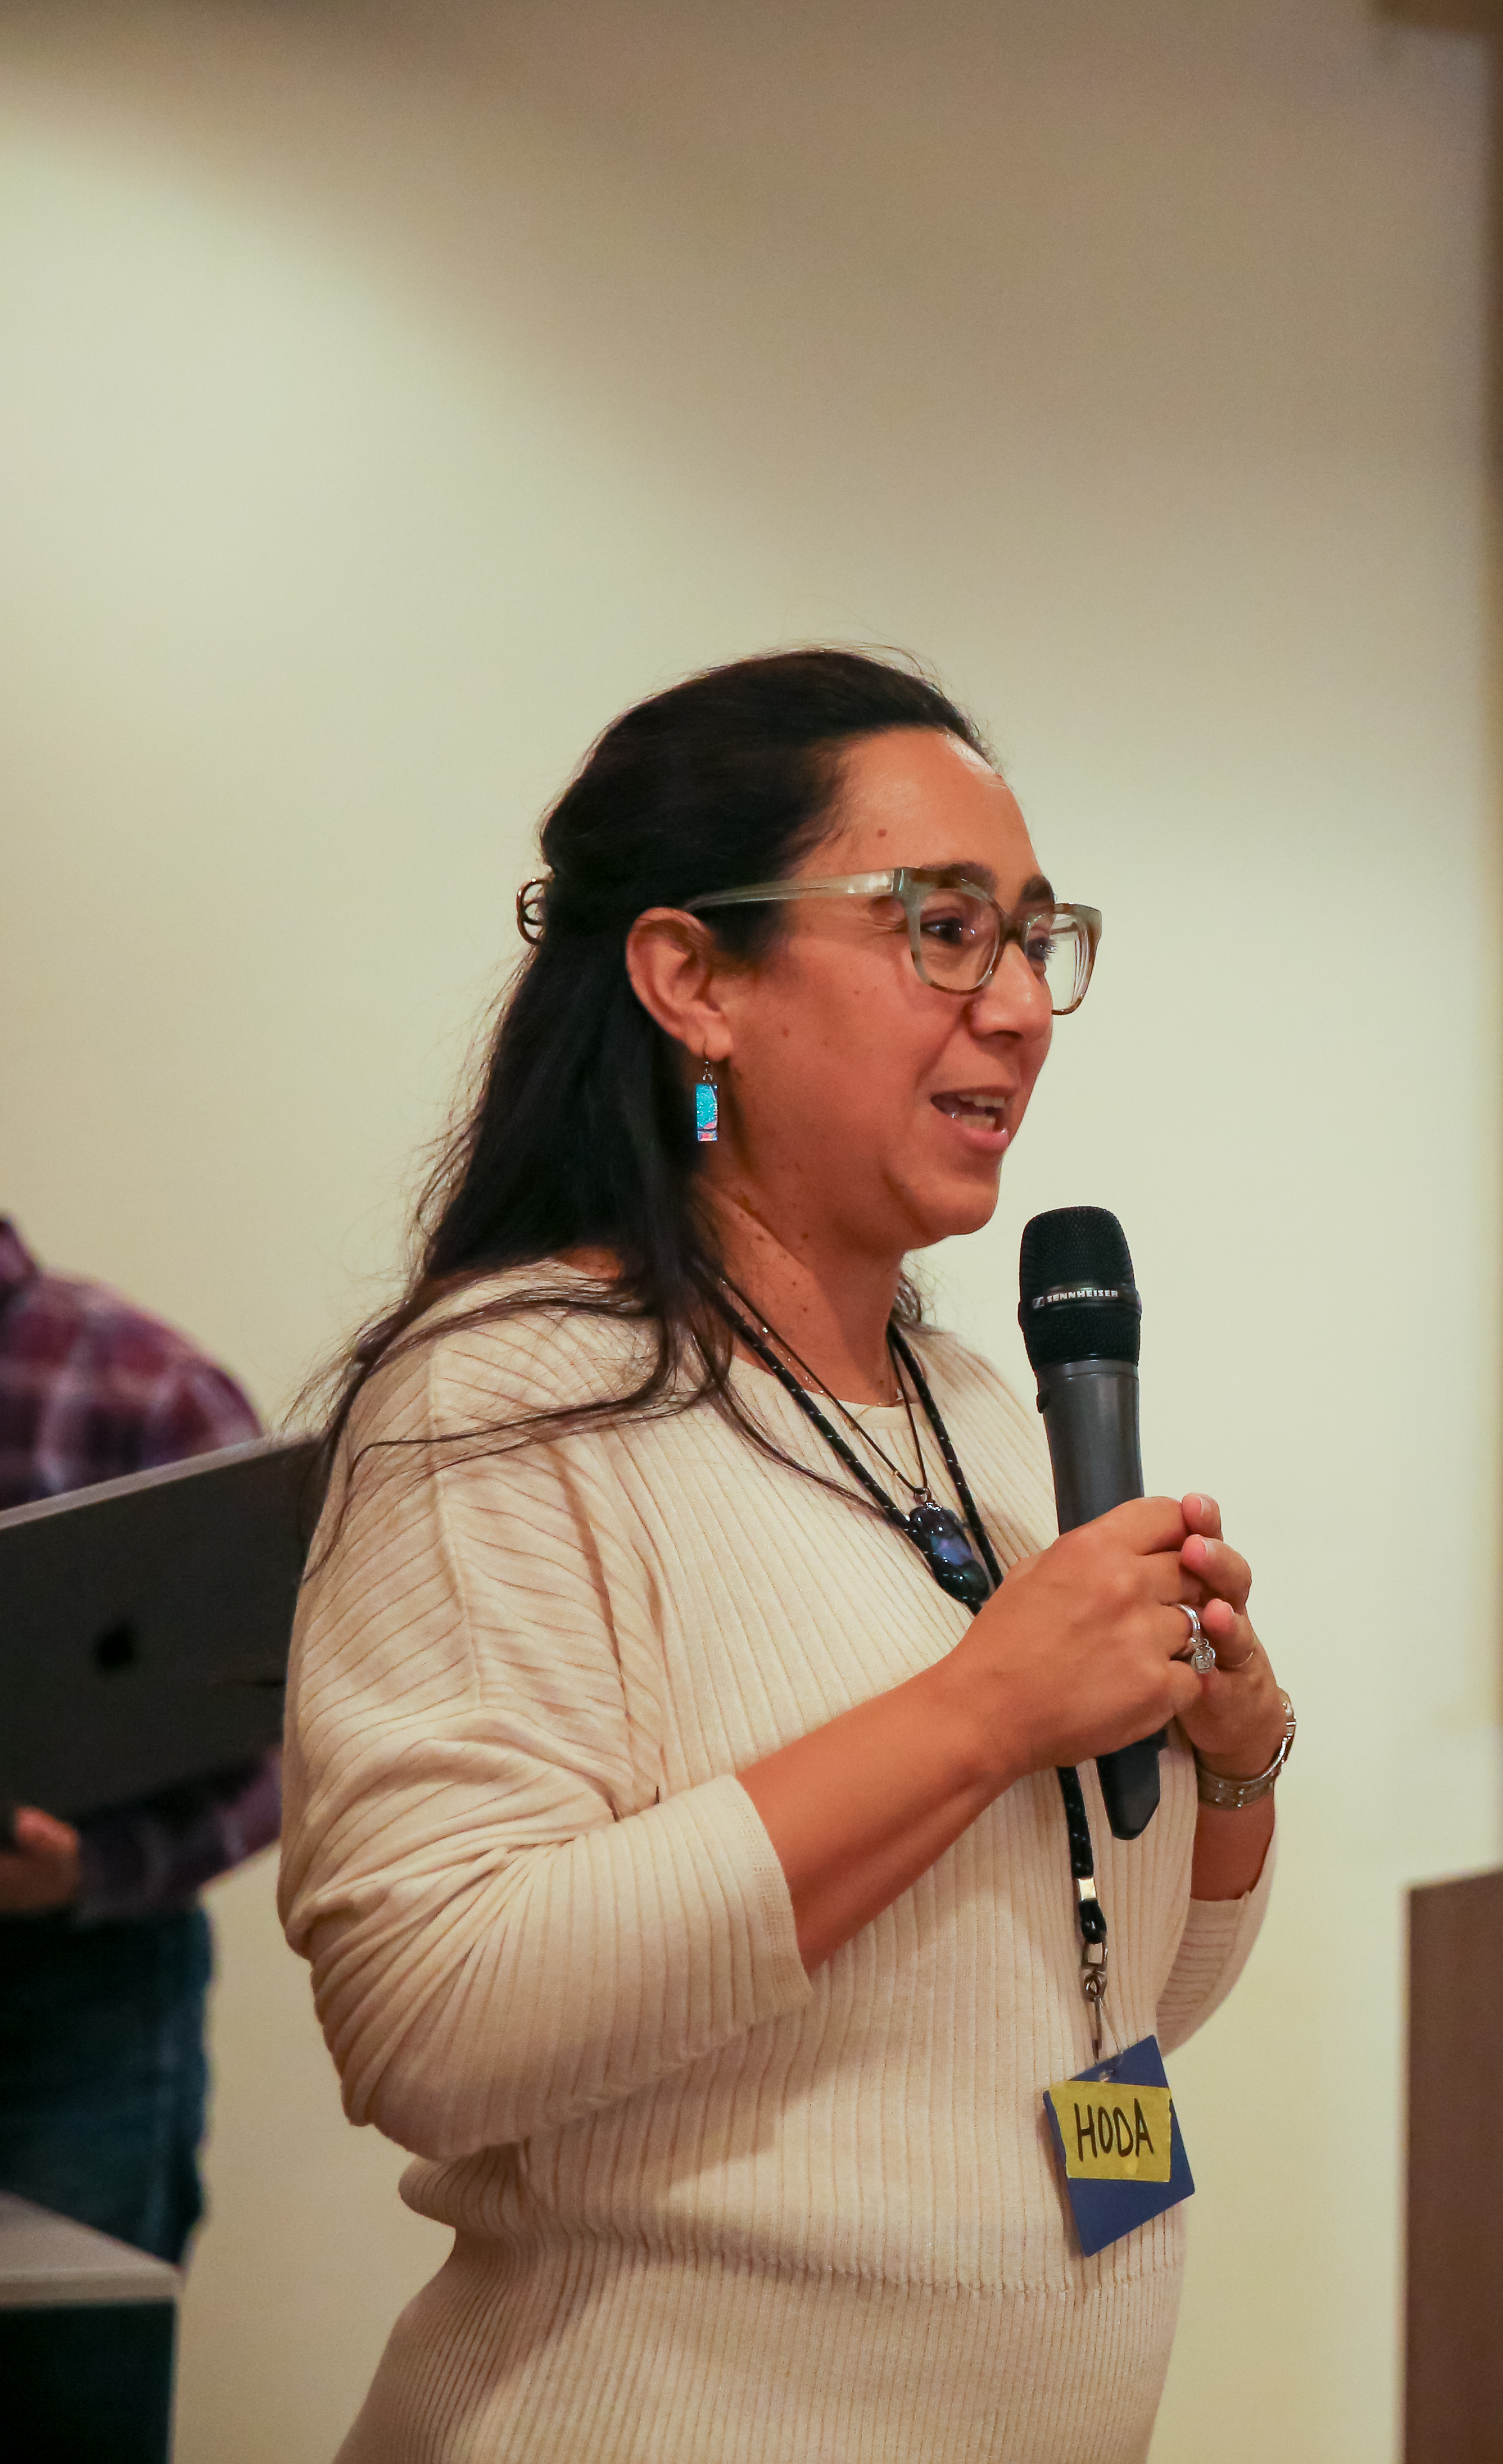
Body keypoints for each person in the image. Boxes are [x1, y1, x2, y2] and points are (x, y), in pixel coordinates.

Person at [279, 651, 1292, 2462]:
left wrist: (1230, 1774)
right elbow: (427, 2019)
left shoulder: (983, 1411)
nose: (1017, 1008)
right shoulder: (507, 1394)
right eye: (941, 927)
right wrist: (982, 1714)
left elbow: (1101, 2005)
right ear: (692, 980)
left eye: (1034, 937)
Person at [0, 1222, 283, 2442]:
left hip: (70, 2004)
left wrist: (86, 1872)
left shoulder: (147, 1388)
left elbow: (292, 1741)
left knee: (57, 2397)